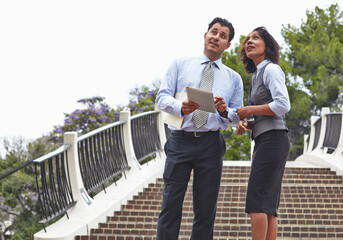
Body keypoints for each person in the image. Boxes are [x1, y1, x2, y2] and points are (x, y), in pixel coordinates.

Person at [155, 17, 243, 240]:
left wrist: (224, 111)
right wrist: (180, 107)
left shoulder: (234, 78)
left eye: (223, 36)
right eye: (214, 32)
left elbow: (236, 117)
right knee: (170, 204)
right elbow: (162, 97)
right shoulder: (180, 64)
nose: (217, 37)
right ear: (205, 35)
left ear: (228, 45)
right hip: (180, 140)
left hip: (211, 144)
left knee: (205, 211)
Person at [236, 26, 291, 240]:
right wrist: (248, 124)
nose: (249, 41)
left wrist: (249, 110)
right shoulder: (257, 74)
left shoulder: (271, 70)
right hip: (267, 139)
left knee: (257, 199)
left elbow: (283, 105)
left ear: (267, 46)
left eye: (255, 38)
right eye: (247, 39)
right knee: (267, 204)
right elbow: (266, 115)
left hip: (273, 140)